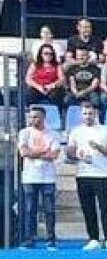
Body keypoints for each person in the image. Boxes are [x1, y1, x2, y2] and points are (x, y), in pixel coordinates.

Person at [65, 101, 107, 252]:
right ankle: (93, 238)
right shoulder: (76, 131)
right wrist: (78, 155)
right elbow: (69, 152)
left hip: (102, 174)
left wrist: (99, 147)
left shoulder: (105, 130)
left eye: (90, 113)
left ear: (95, 114)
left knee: (105, 207)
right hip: (83, 174)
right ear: (81, 115)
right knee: (88, 208)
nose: (87, 116)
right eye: (84, 113)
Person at [16, 106, 60, 250]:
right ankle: (29, 239)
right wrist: (43, 151)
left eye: (36, 117)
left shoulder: (52, 134)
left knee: (49, 210)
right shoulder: (24, 133)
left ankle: (50, 239)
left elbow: (54, 155)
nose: (33, 120)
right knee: (30, 209)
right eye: (31, 117)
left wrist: (33, 152)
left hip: (48, 177)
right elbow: (23, 152)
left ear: (43, 118)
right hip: (29, 176)